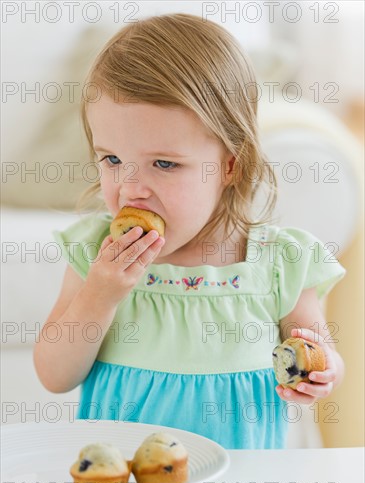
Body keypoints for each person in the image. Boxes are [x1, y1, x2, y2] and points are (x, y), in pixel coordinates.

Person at [34, 13, 346, 449]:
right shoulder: (95, 254)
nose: (130, 188)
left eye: (164, 164)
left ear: (229, 165)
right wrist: (99, 294)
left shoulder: (280, 263)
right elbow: (54, 375)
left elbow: (318, 351)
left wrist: (322, 372)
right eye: (111, 160)